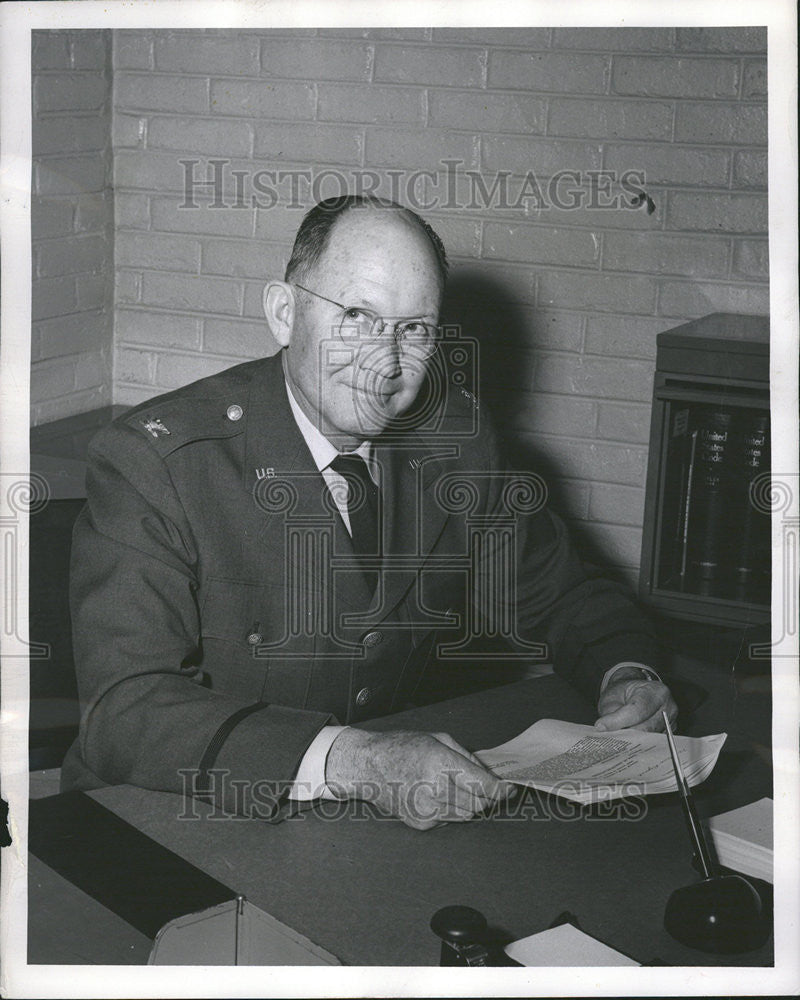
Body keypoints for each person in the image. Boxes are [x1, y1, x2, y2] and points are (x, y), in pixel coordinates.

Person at [62, 195, 677, 830]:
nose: (385, 362)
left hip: (365, 824)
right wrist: (357, 762)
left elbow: (563, 595)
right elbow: (125, 711)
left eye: (413, 328)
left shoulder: (457, 444)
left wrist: (625, 672)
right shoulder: (159, 462)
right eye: (357, 316)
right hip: (166, 816)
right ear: (284, 313)